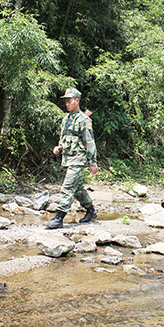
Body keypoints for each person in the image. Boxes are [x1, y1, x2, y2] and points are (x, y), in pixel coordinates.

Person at [45, 88, 98, 229]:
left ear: (77, 101)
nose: (67, 104)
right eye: (66, 102)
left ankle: (58, 218)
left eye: (70, 101)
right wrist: (59, 147)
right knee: (77, 189)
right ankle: (91, 211)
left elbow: (90, 142)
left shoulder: (84, 120)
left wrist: (93, 163)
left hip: (79, 159)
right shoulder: (66, 119)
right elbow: (65, 137)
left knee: (67, 186)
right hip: (68, 158)